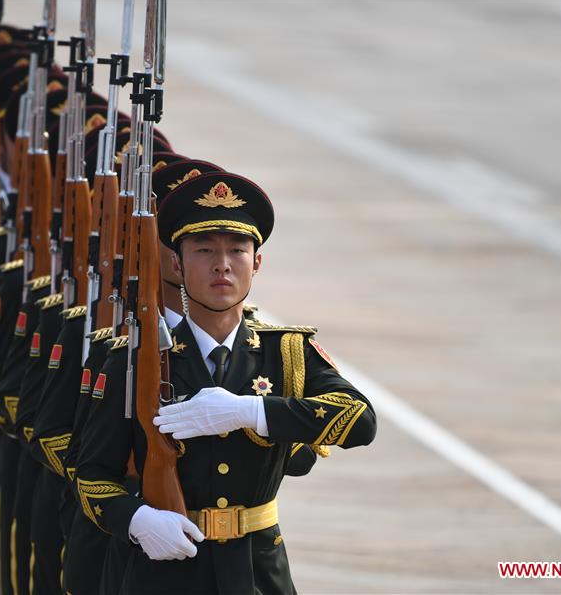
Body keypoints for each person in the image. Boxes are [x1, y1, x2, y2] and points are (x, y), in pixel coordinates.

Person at [74, 171, 376, 594]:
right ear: (177, 264)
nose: (222, 264)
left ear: (257, 262)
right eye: (203, 250)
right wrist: (136, 520)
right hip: (164, 571)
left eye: (237, 250)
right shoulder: (135, 359)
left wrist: (251, 410)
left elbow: (361, 421)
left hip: (257, 572)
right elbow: (91, 476)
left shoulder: (286, 351)